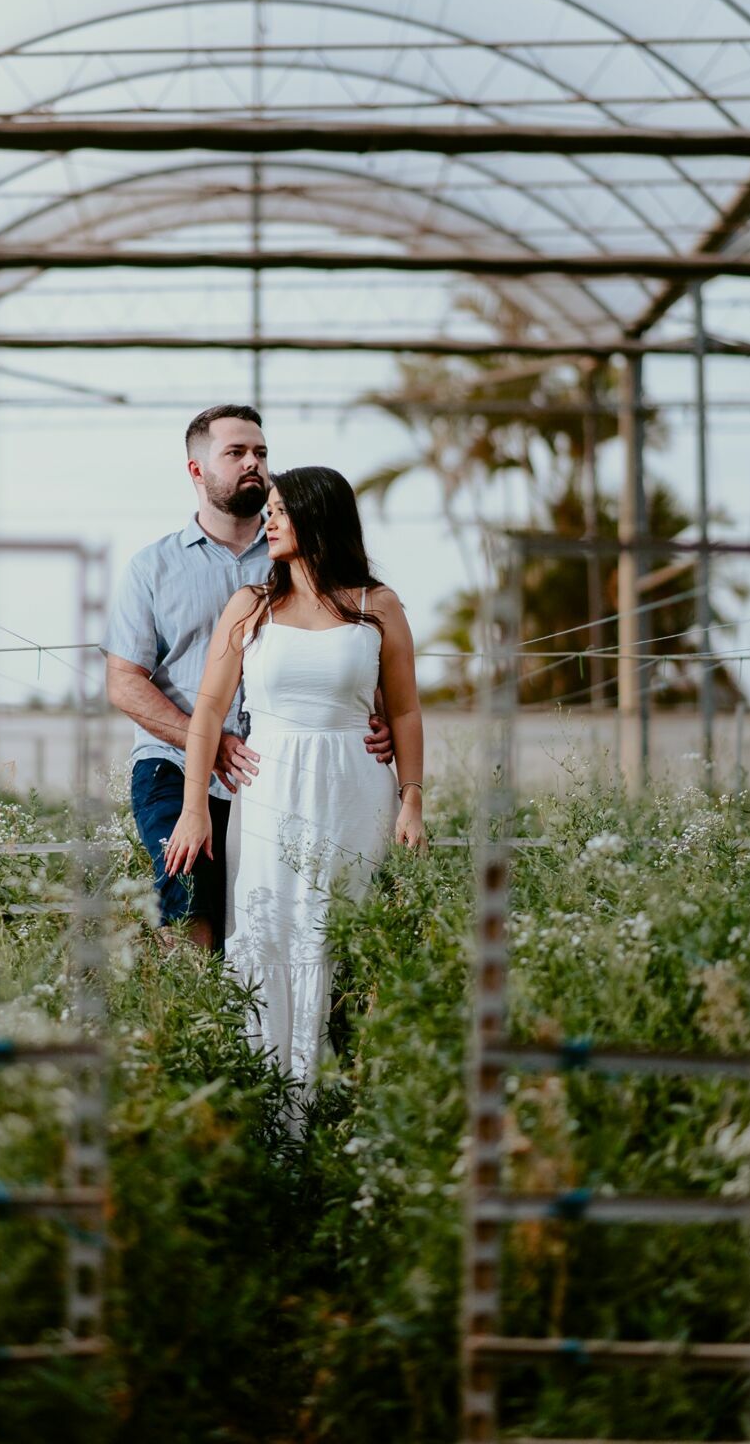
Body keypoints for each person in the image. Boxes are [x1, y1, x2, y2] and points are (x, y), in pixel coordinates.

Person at [163, 465, 424, 1098]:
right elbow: (208, 712)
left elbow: (406, 710)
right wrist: (194, 807)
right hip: (269, 794)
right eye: (270, 511)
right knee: (270, 934)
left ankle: (349, 1098)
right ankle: (272, 1103)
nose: (270, 521)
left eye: (282, 511)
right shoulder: (250, 605)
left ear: (318, 517)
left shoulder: (378, 605)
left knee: (346, 935)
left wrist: (412, 798)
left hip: (355, 791)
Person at [102, 407, 394, 952]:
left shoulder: (300, 554)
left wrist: (377, 717)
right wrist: (207, 740)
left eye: (260, 452)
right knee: (188, 892)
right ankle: (198, 1002)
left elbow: (353, 648)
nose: (253, 463)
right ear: (197, 470)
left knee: (284, 907)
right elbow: (124, 683)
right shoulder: (151, 568)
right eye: (235, 453)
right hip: (175, 764)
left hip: (281, 770)